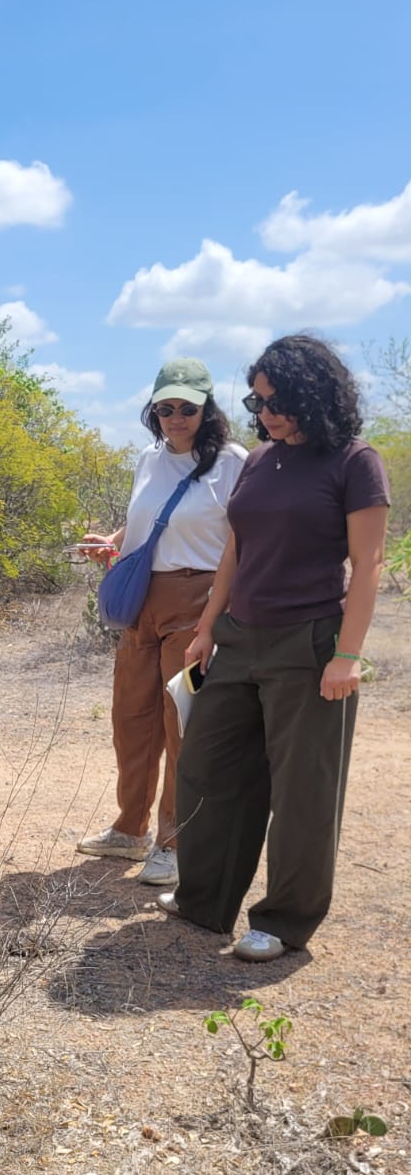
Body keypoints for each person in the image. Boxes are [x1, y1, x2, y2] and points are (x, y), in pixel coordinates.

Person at [156, 335, 389, 962]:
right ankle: (204, 898)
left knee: (302, 789)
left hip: (309, 640)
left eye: (276, 400)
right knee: (206, 766)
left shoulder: (354, 461)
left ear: (315, 394)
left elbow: (368, 564)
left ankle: (284, 921)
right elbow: (237, 549)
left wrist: (347, 655)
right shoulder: (260, 460)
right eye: (256, 402)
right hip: (239, 635)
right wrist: (208, 626)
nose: (265, 413)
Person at [76, 358, 246, 886]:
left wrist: (217, 615)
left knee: (182, 721)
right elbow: (146, 521)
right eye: (165, 408)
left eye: (187, 408)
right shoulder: (149, 458)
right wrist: (113, 542)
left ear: (206, 409)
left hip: (199, 600)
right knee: (131, 718)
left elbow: (243, 540)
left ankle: (174, 842)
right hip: (143, 598)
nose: (175, 417)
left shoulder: (233, 461)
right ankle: (130, 829)